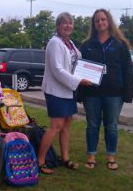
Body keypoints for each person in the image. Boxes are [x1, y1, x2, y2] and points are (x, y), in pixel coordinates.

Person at [78, 8, 133, 171]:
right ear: (93, 24)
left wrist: (128, 93)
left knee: (111, 125)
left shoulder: (120, 44)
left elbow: (128, 70)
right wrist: (80, 93)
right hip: (92, 94)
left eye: (103, 19)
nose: (100, 22)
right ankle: (91, 155)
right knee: (92, 125)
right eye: (97, 20)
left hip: (114, 93)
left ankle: (111, 156)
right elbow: (80, 70)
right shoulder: (87, 45)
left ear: (108, 21)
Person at [38, 12, 92, 174]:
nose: (68, 26)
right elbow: (57, 70)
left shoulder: (69, 43)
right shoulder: (54, 43)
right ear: (58, 26)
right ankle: (40, 161)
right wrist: (78, 81)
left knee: (67, 124)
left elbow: (76, 64)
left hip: (68, 90)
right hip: (56, 90)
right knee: (56, 125)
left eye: (70, 23)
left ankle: (66, 158)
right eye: (64, 23)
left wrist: (86, 74)